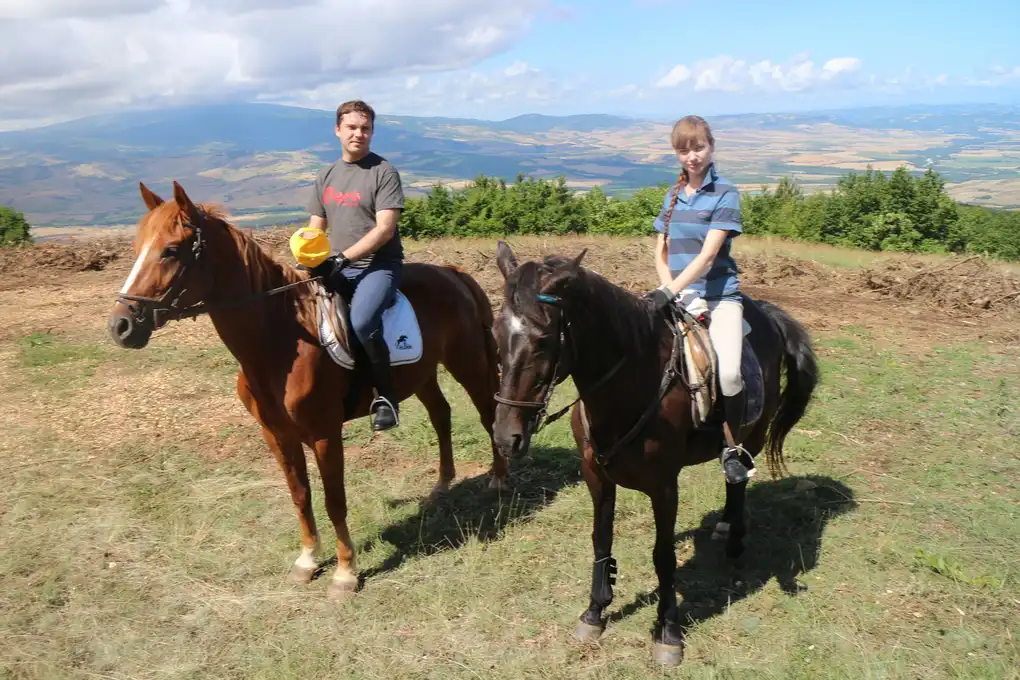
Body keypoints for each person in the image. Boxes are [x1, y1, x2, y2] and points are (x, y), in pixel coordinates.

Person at [645, 115, 753, 483]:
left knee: (729, 373)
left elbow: (708, 257)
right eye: (683, 149)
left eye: (698, 147)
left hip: (719, 297)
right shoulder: (672, 196)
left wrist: (672, 290)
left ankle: (732, 448)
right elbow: (660, 248)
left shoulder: (726, 194)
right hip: (675, 296)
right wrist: (668, 289)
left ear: (711, 147)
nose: (691, 156)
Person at [304, 99, 406, 431]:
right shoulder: (326, 175)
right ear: (338, 130)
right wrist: (307, 258)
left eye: (365, 128)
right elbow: (315, 228)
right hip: (338, 265)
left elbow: (384, 229)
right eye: (351, 127)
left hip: (378, 265)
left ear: (372, 132)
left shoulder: (383, 172)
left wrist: (344, 257)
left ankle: (386, 396)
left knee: (362, 321)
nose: (358, 134)